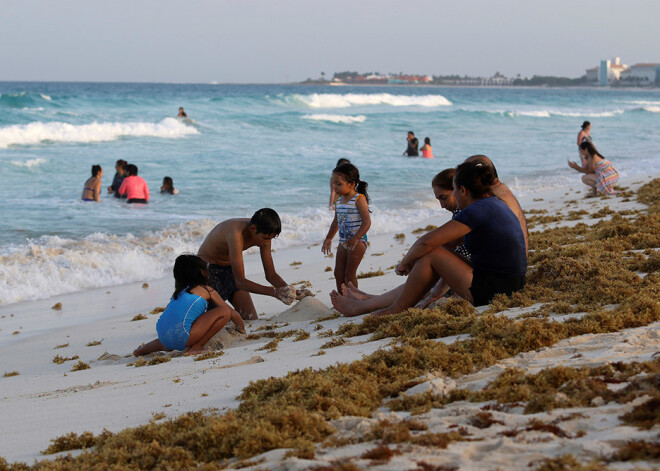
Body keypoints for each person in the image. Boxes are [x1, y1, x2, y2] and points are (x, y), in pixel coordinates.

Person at [331, 157, 527, 316]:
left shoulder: (477, 209)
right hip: (508, 283)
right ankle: (372, 304)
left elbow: (426, 241)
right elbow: (443, 244)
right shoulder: (493, 203)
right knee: (433, 253)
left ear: (462, 190)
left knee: (430, 252)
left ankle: (392, 310)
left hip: (495, 289)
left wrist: (405, 263)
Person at [133, 254, 245, 357]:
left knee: (166, 342)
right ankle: (197, 346)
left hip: (163, 335)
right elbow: (231, 312)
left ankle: (140, 351)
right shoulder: (207, 290)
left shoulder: (178, 293)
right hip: (183, 336)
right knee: (224, 312)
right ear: (202, 272)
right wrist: (241, 328)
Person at [197, 208, 297, 320]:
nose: (266, 242)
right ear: (253, 229)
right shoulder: (235, 234)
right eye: (265, 238)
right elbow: (240, 282)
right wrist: (274, 292)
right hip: (206, 270)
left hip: (229, 269)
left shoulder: (265, 233)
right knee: (205, 320)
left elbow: (271, 275)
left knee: (251, 318)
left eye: (270, 239)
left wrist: (292, 293)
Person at [322, 163, 371, 292]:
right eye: (333, 183)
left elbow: (367, 222)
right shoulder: (338, 199)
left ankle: (354, 300)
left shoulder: (359, 199)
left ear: (351, 184)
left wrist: (356, 238)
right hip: (343, 241)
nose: (335, 187)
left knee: (349, 275)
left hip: (358, 241)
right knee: (338, 274)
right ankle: (342, 299)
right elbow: (337, 220)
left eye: (339, 184)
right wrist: (328, 238)